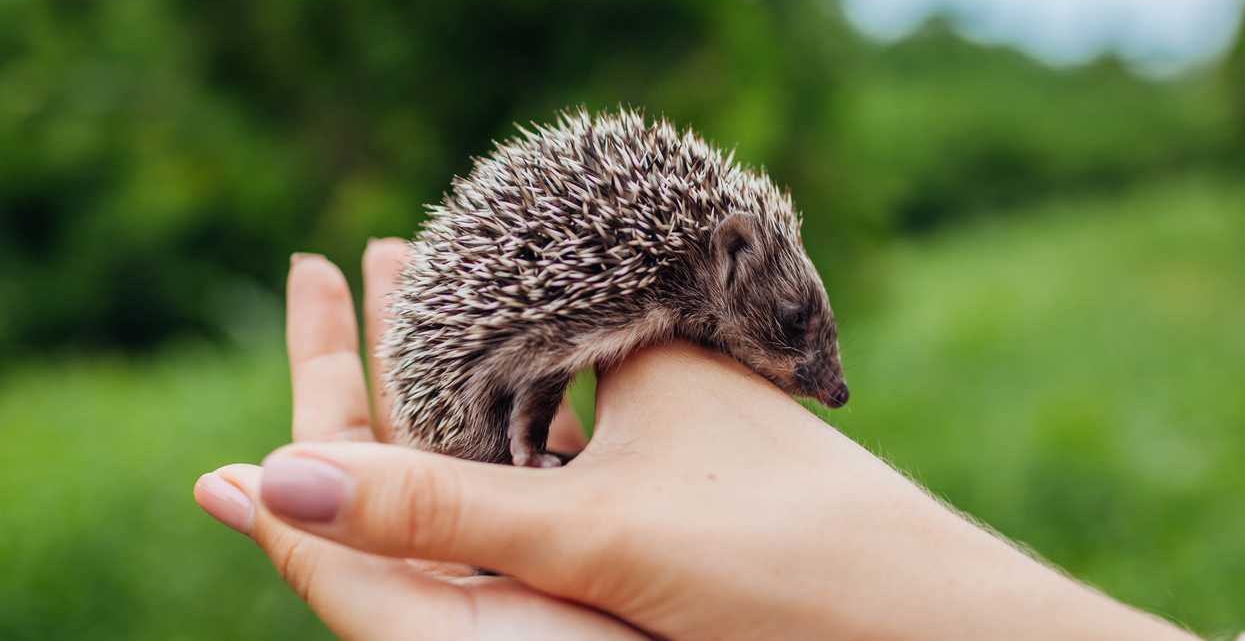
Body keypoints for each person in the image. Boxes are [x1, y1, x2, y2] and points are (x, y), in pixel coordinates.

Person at [194, 239, 1199, 640]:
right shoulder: (623, 308)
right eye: (798, 338)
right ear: (719, 268)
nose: (826, 386)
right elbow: (546, 354)